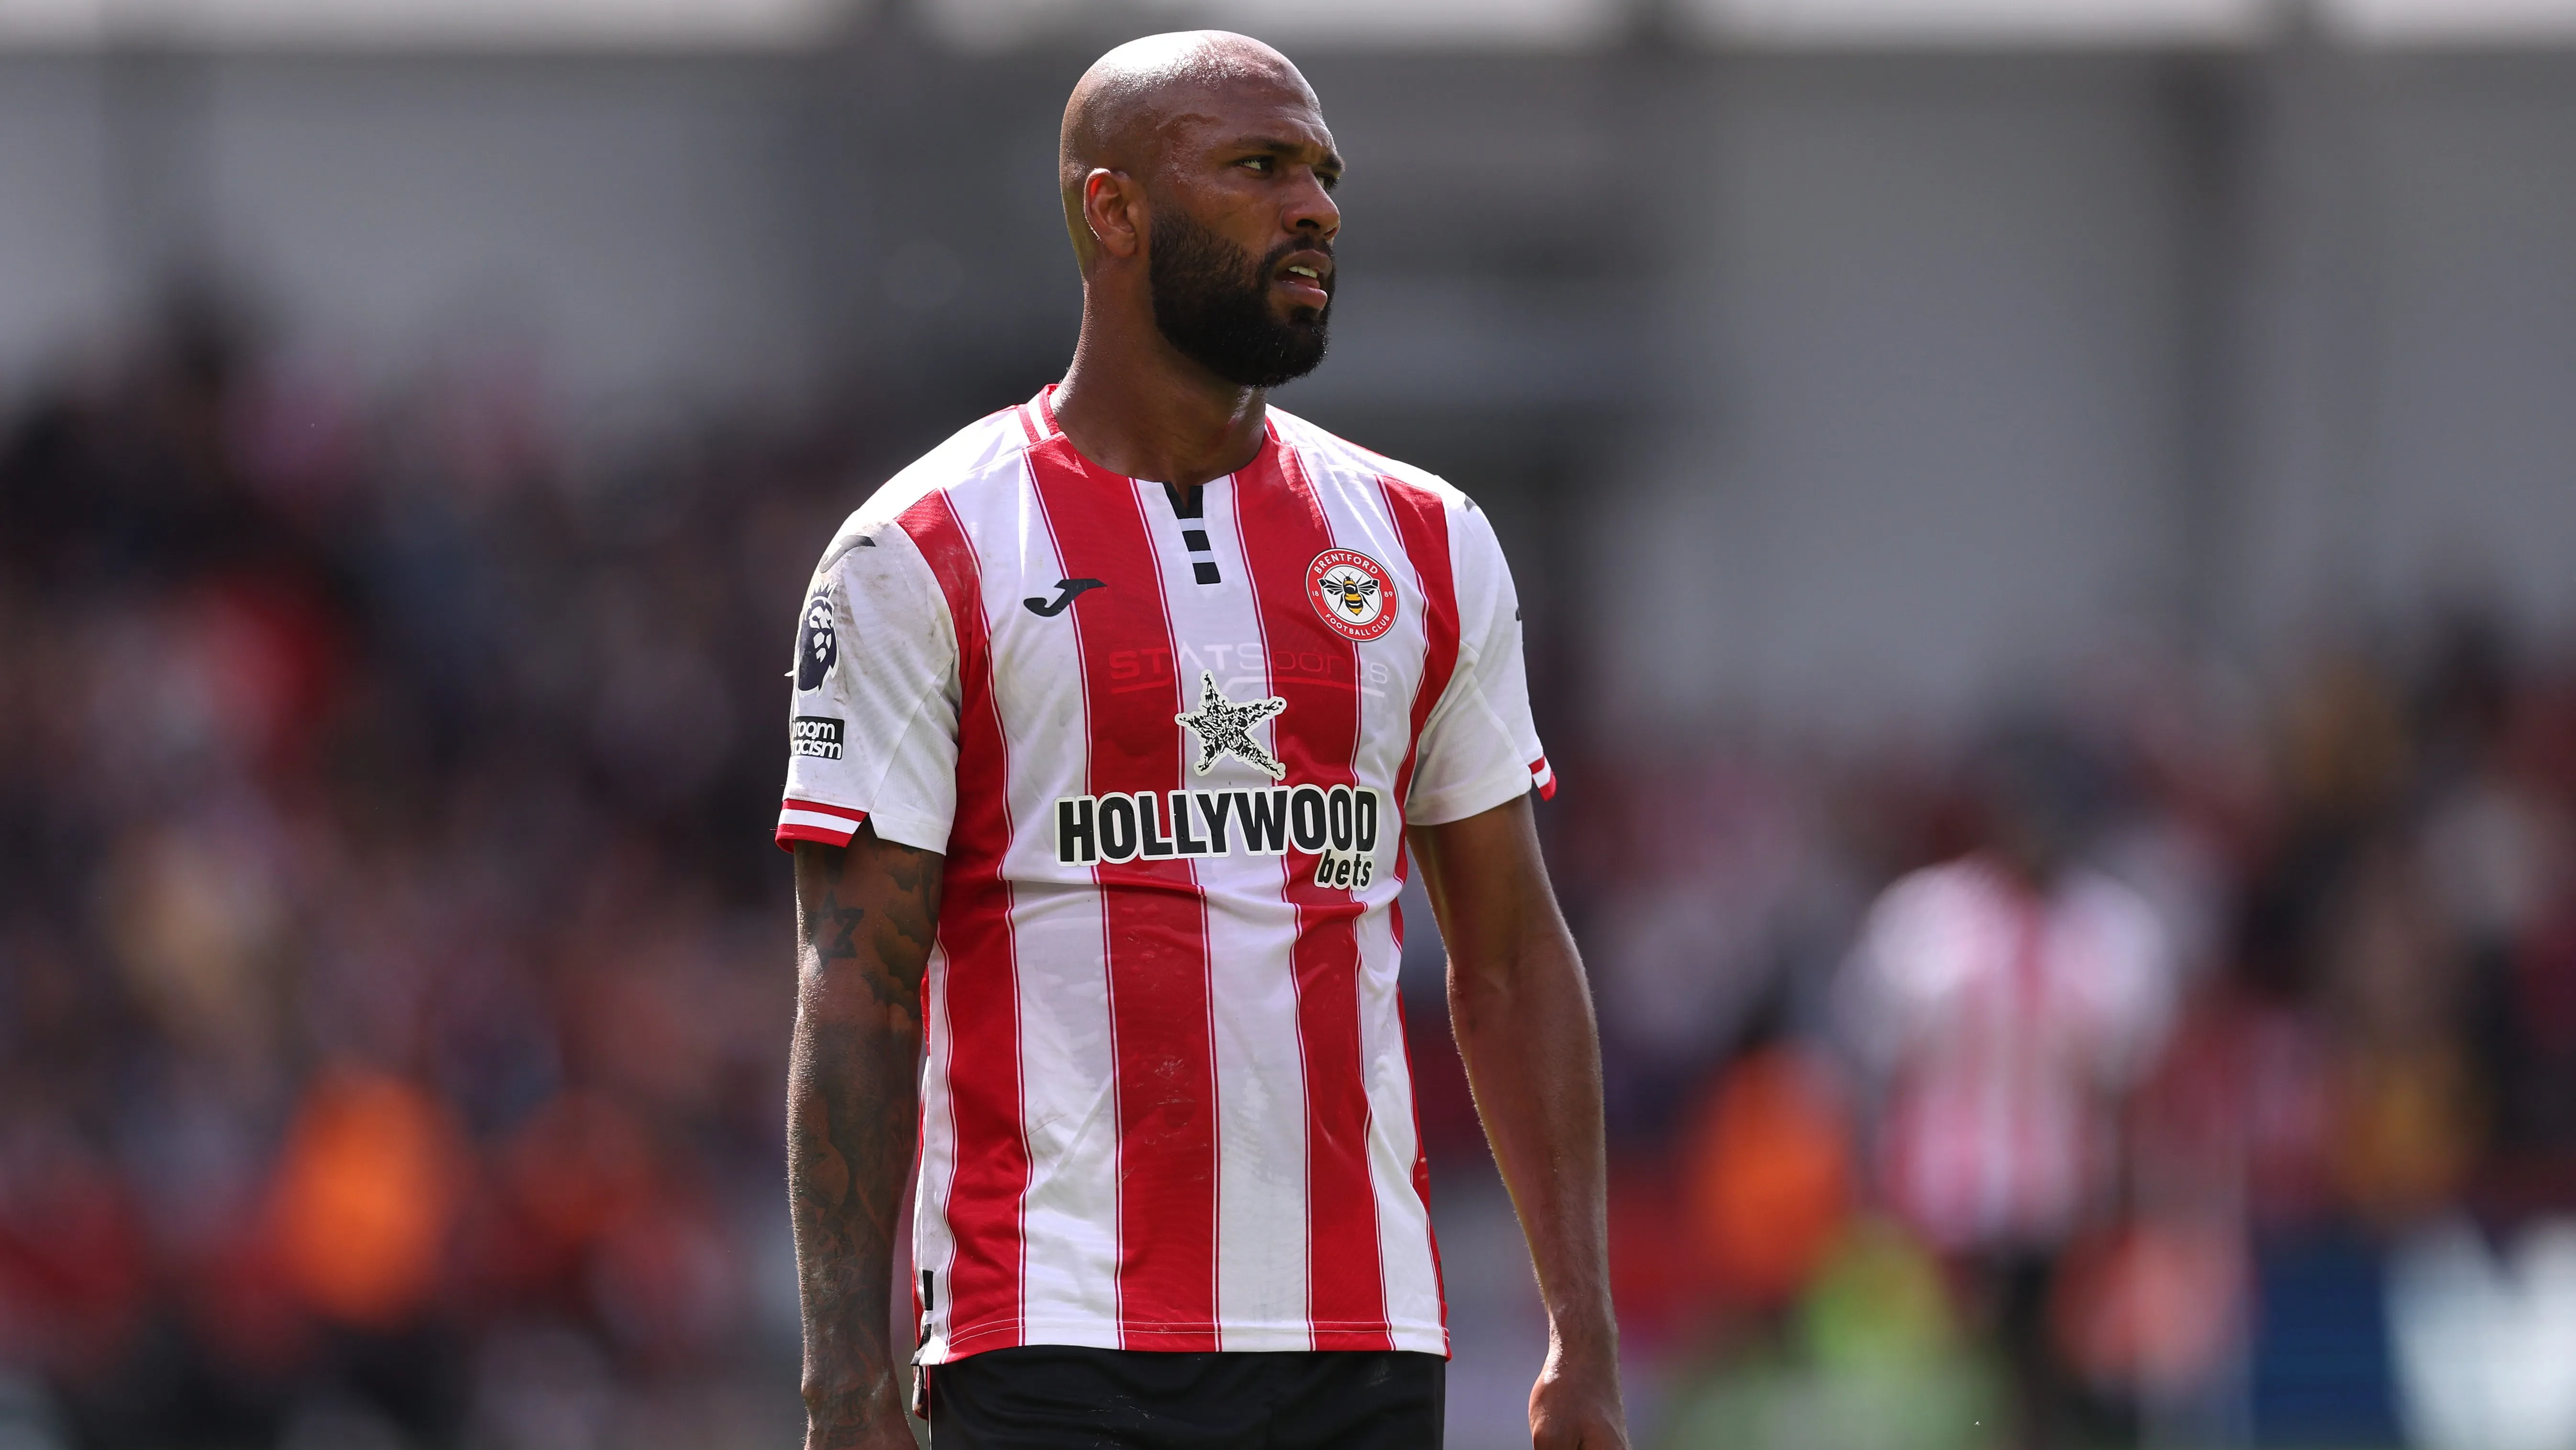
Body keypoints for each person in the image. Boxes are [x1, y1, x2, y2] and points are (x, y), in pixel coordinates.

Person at [774, 31, 1627, 1450]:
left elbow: (1513, 954)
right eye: (1258, 166)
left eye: (1324, 174)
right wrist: (845, 1377)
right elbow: (854, 984)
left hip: (1360, 1339)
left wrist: (1582, 1334)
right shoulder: (919, 548)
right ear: (1112, 211)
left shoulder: (1426, 541)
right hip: (1044, 1335)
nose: (1317, 208)